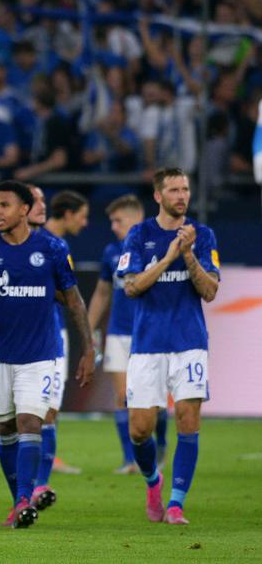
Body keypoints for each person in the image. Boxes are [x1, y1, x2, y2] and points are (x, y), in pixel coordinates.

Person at [0, 180, 95, 529]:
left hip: (40, 355)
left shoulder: (52, 249)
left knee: (30, 422)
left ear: (24, 210)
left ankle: (25, 500)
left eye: (4, 205)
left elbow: (73, 299)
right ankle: (18, 501)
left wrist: (88, 348)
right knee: (5, 427)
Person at [117, 168, 219, 525]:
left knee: (188, 420)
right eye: (174, 190)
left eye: (186, 189)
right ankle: (153, 482)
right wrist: (167, 258)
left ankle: (176, 504)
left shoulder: (203, 235)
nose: (182, 196)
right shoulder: (139, 235)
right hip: (148, 344)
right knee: (139, 429)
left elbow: (210, 291)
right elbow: (131, 287)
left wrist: (188, 254)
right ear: (158, 196)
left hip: (189, 342)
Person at [30, 189, 90, 506]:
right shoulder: (28, 244)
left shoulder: (56, 246)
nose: (85, 222)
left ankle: (42, 480)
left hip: (53, 333)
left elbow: (67, 294)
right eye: (82, 215)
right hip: (28, 336)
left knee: (50, 408)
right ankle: (30, 479)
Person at [86, 194, 149, 475]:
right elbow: (102, 292)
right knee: (122, 396)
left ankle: (157, 449)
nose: (113, 226)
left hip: (149, 333)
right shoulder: (112, 252)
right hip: (118, 332)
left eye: (118, 220)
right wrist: (88, 329)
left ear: (136, 219)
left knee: (151, 401)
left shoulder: (152, 248)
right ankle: (130, 459)